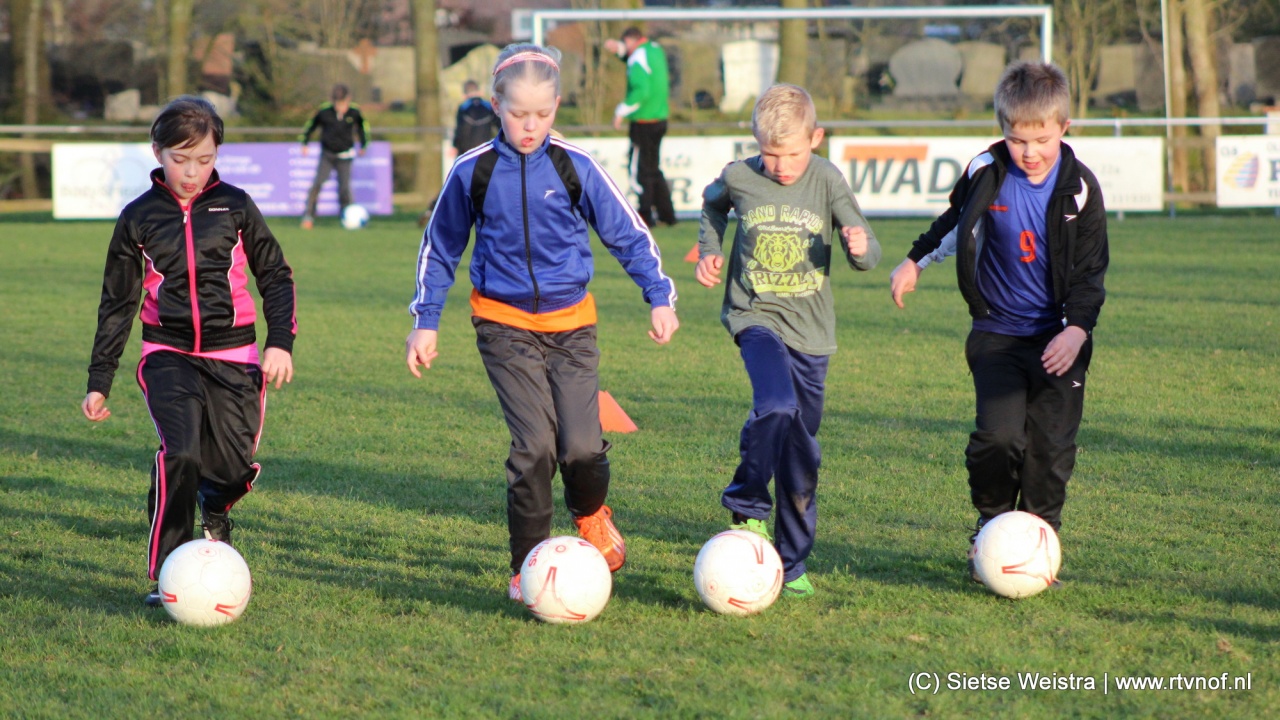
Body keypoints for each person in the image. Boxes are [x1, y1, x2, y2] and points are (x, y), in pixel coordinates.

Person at [405, 44, 680, 602]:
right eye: (517, 114)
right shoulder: (472, 169)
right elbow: (441, 246)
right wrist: (426, 320)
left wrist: (658, 295)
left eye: (542, 113)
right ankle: (526, 564)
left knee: (581, 448)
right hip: (502, 324)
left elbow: (628, 233)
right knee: (534, 447)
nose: (530, 126)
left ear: (556, 106)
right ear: (496, 105)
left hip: (572, 327)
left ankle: (590, 512)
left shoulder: (575, 166)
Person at [888, 61, 1108, 586]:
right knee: (999, 437)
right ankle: (990, 527)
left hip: (1059, 338)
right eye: (1017, 140)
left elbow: (1090, 272)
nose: (1029, 152)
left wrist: (1075, 330)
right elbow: (955, 222)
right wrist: (915, 261)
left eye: (1042, 140)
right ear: (1002, 129)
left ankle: (1039, 539)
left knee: (1050, 450)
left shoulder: (1080, 188)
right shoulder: (985, 170)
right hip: (997, 334)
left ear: (1064, 128)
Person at [83, 95, 297, 607]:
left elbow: (276, 275)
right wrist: (99, 380)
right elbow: (118, 302)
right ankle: (168, 574)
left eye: (204, 159)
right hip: (167, 354)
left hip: (236, 357)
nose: (192, 172)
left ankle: (216, 509)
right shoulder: (138, 217)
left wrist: (280, 343)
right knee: (179, 453)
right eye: (180, 159)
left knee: (233, 469)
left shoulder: (236, 206)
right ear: (157, 151)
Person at [695, 84, 881, 599]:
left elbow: (868, 253)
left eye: (792, 154)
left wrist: (860, 247)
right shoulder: (740, 176)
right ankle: (747, 503)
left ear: (815, 139)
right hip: (755, 316)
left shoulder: (827, 179)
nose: (780, 166)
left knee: (802, 455)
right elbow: (711, 208)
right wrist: (709, 249)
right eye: (770, 154)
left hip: (813, 334)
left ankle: (791, 563)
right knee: (776, 404)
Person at [605, 27, 678, 228]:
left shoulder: (637, 57)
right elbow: (640, 61)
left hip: (643, 121)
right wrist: (620, 50)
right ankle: (667, 215)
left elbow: (641, 91)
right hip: (660, 119)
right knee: (653, 168)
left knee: (639, 170)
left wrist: (621, 111)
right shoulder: (654, 49)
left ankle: (645, 216)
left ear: (629, 41)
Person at [418, 80, 501, 229]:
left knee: (454, 183)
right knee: (490, 184)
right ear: (480, 91)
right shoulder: (489, 106)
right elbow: (500, 127)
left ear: (464, 94)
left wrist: (456, 146)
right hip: (485, 152)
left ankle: (433, 210)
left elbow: (461, 130)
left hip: (466, 153)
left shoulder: (464, 107)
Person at [299, 83, 368, 229]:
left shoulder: (354, 112)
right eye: (337, 103)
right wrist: (305, 143)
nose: (339, 106)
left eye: (342, 103)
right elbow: (310, 126)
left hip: (346, 155)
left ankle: (347, 217)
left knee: (344, 189)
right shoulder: (324, 112)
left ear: (348, 99)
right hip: (327, 155)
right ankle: (308, 216)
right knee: (317, 184)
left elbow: (362, 129)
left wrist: (363, 145)